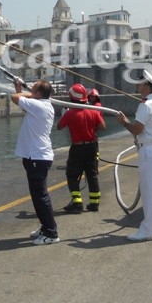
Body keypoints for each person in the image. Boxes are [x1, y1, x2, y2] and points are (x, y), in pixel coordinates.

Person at [116, 69, 152, 242]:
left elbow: (137, 129)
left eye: (139, 83)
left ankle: (148, 230)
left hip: (149, 149)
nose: (137, 86)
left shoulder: (145, 105)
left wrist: (124, 122)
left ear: (147, 86)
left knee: (149, 191)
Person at [12, 78, 59, 245]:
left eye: (33, 90)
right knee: (37, 195)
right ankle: (45, 227)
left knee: (41, 196)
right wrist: (19, 87)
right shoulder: (39, 106)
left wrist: (23, 92)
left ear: (38, 94)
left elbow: (15, 98)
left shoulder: (40, 105)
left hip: (38, 157)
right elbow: (21, 102)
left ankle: (51, 233)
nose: (30, 92)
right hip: (35, 157)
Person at [58, 84, 106, 212]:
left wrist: (66, 113)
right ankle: (94, 203)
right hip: (91, 147)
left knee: (72, 175)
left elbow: (59, 126)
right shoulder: (93, 110)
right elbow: (102, 127)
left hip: (77, 148)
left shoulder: (70, 113)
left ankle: (77, 202)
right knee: (92, 175)